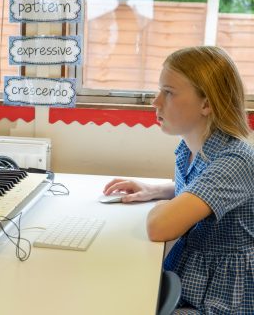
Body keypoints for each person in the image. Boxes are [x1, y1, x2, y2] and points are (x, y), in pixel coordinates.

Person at [103, 46, 254, 314]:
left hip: (222, 299)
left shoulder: (235, 160)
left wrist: (163, 210)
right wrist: (157, 190)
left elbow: (159, 226)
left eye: (168, 93)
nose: (155, 102)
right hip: (194, 280)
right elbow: (204, 188)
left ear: (206, 104)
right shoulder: (190, 148)